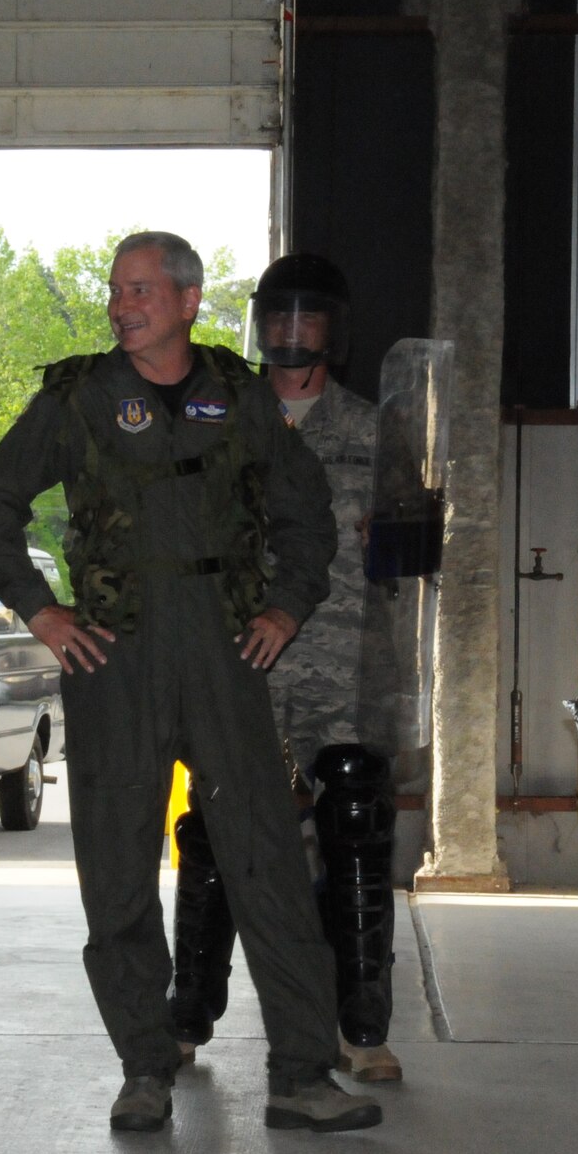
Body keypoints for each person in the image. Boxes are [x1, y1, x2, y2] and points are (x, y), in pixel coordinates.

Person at [0, 231, 381, 1135]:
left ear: (189, 301)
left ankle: (302, 1073)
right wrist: (43, 612)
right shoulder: (79, 399)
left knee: (265, 857)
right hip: (118, 657)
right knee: (116, 869)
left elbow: (308, 517)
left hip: (228, 657)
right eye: (116, 290)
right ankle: (144, 1068)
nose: (123, 305)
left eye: (143, 290)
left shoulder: (238, 396)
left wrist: (284, 610)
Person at [168, 252, 404, 1084]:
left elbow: (417, 550)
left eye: (307, 320)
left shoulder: (379, 433)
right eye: (277, 319)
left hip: (344, 665)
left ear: (334, 334)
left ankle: (361, 1029)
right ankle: (186, 1016)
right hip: (241, 666)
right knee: (216, 833)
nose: (290, 334)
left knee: (355, 833)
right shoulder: (219, 420)